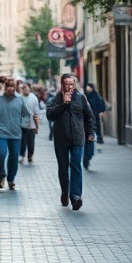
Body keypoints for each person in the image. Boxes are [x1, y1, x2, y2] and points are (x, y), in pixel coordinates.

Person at [46, 73, 95, 209]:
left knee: (76, 166)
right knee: (63, 167)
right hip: (61, 139)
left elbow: (89, 116)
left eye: (71, 84)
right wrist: (63, 104)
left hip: (78, 138)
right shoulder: (55, 98)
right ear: (62, 85)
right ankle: (64, 192)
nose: (69, 87)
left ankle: (76, 197)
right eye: (66, 84)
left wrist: (90, 132)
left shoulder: (81, 98)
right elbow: (50, 115)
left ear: (75, 85)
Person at [0, 77, 25, 190]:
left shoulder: (20, 100)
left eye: (12, 86)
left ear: (15, 87)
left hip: (16, 133)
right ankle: (2, 174)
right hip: (1, 132)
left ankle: (11, 179)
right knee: (1, 154)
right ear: (5, 87)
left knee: (14, 156)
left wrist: (24, 125)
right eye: (8, 86)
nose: (10, 88)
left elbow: (26, 114)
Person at [18, 82, 40, 164]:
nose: (25, 90)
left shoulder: (33, 98)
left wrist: (37, 126)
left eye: (26, 88)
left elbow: (36, 113)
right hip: (21, 124)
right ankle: (21, 155)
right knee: (22, 141)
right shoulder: (19, 98)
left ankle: (30, 155)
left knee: (31, 142)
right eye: (23, 88)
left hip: (31, 125)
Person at [84, 82, 107, 149]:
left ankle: (99, 138)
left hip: (95, 114)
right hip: (88, 114)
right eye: (87, 87)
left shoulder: (96, 95)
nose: (87, 88)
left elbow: (101, 103)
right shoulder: (85, 95)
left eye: (89, 87)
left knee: (97, 126)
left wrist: (101, 111)